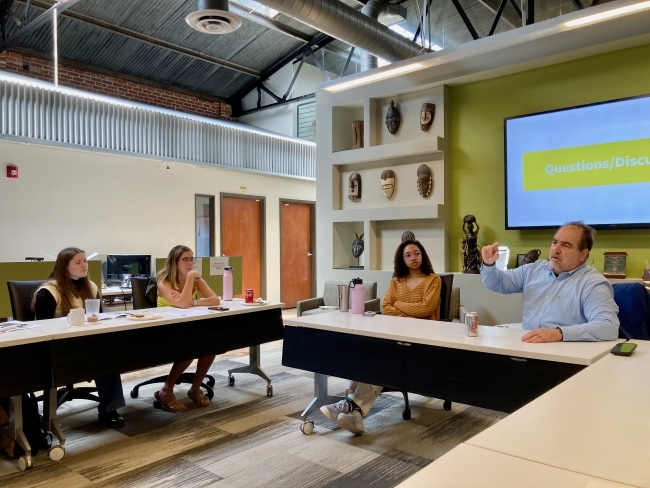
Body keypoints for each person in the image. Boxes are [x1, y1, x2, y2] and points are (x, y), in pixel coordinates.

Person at [320, 240, 441, 434]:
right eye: (408, 255)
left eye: (416, 253)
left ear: (423, 255)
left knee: (383, 360)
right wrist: (410, 310)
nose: (413, 258)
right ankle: (355, 413)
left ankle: (349, 406)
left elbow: (426, 309)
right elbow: (386, 307)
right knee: (369, 353)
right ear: (402, 260)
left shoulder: (433, 280)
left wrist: (399, 305)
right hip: (395, 336)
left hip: (421, 341)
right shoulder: (396, 281)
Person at [481, 221, 619, 342]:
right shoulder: (534, 270)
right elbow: (498, 283)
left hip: (565, 355)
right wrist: (488, 264)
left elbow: (608, 326)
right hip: (527, 347)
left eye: (565, 245)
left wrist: (559, 333)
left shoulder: (593, 283)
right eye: (554, 242)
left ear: (583, 254)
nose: (556, 249)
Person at [34, 247, 126, 428]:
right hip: (57, 349)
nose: (84, 265)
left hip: (86, 343)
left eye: (85, 261)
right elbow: (42, 329)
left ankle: (110, 408)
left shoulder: (90, 287)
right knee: (104, 356)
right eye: (78, 262)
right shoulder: (48, 292)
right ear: (64, 266)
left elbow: (98, 318)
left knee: (109, 352)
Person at [154, 245, 221, 412]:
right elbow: (183, 304)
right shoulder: (164, 281)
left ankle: (195, 388)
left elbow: (214, 300)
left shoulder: (195, 279)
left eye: (192, 259)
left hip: (186, 325)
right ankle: (166, 391)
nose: (190, 263)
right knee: (190, 347)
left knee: (209, 347)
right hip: (165, 328)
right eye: (185, 259)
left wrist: (194, 301)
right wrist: (191, 279)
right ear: (175, 263)